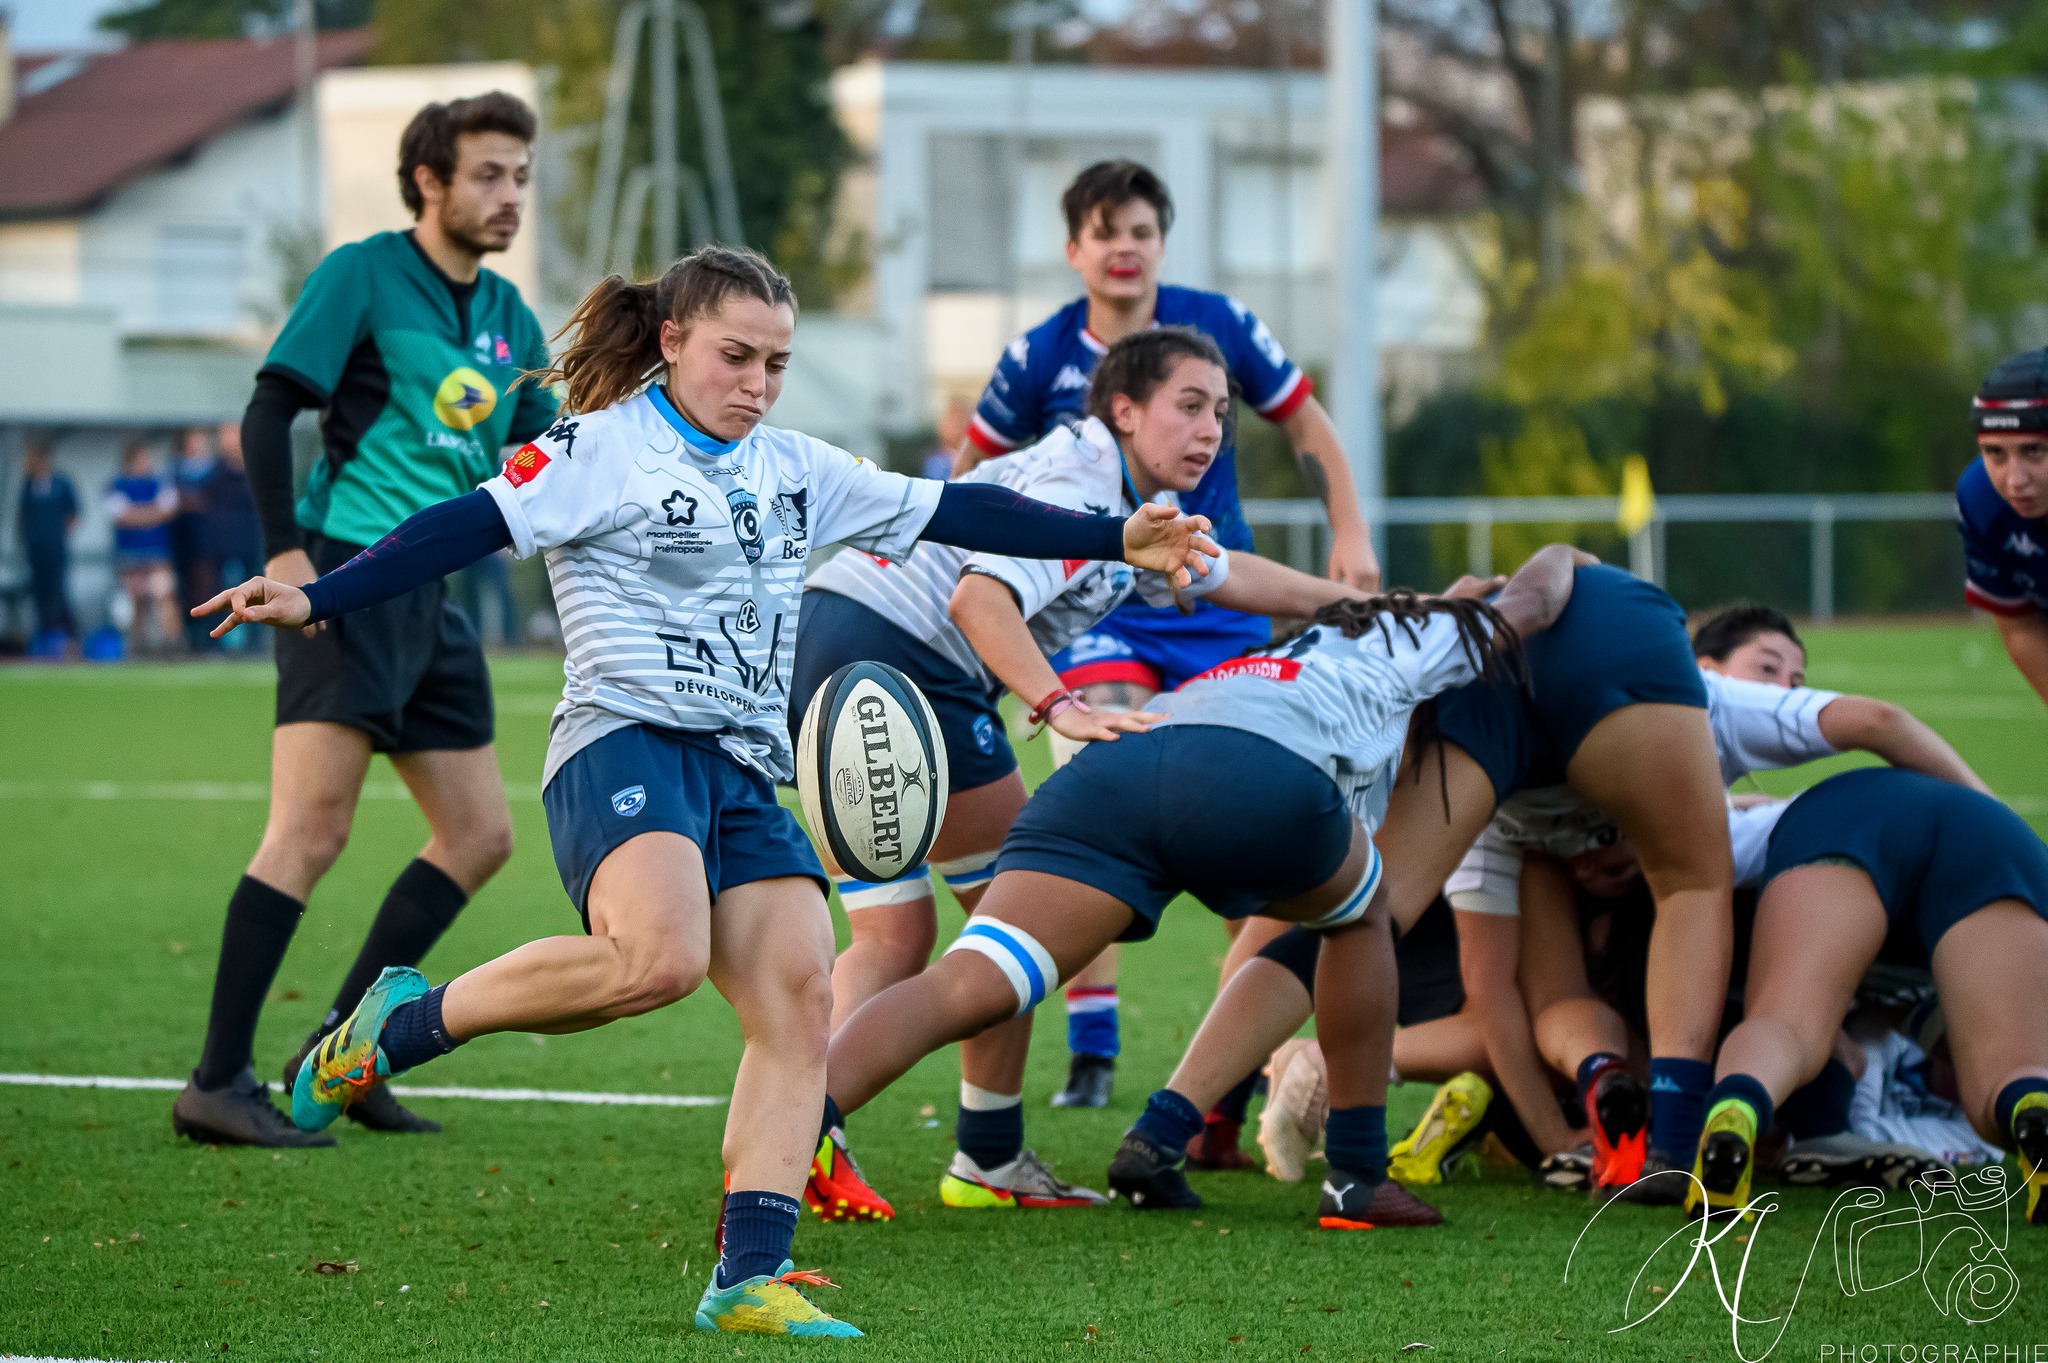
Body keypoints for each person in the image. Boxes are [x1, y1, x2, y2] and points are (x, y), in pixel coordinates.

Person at [197, 245, 1215, 1337]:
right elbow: (464, 525)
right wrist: (320, 599)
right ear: (672, 341)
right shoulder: (599, 448)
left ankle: (747, 1276)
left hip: (739, 761)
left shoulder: (791, 464)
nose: (757, 384)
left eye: (775, 362)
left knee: (797, 990)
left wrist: (1116, 534)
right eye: (735, 357)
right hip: (621, 740)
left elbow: (951, 510)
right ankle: (401, 1020)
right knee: (660, 961)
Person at [815, 545, 1590, 1235]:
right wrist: (1559, 553)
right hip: (1257, 774)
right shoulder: (1415, 636)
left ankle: (793, 1126)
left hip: (1119, 768)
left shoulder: (1293, 649)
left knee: (967, 981)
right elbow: (1532, 603)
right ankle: (1357, 1174)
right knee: (1360, 919)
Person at [794, 327, 1370, 1219]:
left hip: (837, 640)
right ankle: (865, 1142)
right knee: (1018, 922)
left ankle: (819, 1138)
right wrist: (1060, 705)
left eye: (1221, 411)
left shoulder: (1136, 503)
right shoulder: (1086, 482)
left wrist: (1360, 604)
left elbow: (1236, 578)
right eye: (1188, 406)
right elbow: (976, 600)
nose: (1211, 428)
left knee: (901, 936)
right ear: (1124, 410)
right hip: (900, 659)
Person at [171, 92, 559, 1149]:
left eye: (521, 175)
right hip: (342, 575)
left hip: (432, 597)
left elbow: (549, 450)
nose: (509, 195)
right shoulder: (361, 273)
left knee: (479, 834)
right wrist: (285, 551)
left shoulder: (512, 319)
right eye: (487, 173)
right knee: (310, 831)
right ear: (428, 180)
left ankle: (337, 1053)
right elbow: (270, 407)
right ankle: (215, 1080)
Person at [953, 159, 1382, 1109]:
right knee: (1105, 778)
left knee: (1244, 813)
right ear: (1074, 251)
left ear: (1160, 244)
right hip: (1105, 612)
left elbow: (1306, 423)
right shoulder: (1036, 356)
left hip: (1219, 599)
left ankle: (1222, 1073)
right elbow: (970, 471)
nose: (1123, 248)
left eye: (1140, 230)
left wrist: (1350, 534)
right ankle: (1095, 1043)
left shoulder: (1216, 328)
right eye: (1104, 232)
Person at [1685, 767, 2048, 1224]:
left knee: (1788, 1026)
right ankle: (2031, 1105)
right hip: (1996, 839)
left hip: (1844, 814)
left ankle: (1736, 1107)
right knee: (2009, 1072)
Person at [1959, 345, 2048, 707]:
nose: (2015, 481)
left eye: (2034, 451)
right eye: (1995, 452)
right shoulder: (1981, 496)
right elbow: (2020, 624)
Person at [106, 439, 183, 653]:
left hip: (157, 553)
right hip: (130, 554)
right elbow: (120, 516)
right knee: (135, 602)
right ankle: (137, 646)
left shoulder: (160, 482)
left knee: (163, 595)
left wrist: (135, 513)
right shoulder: (117, 484)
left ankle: (172, 643)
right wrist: (152, 513)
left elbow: (168, 511)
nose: (145, 463)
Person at [17, 437, 79, 655]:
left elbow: (74, 513)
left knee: (59, 592)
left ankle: (70, 640)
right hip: (36, 550)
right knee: (40, 594)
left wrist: (58, 534)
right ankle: (44, 641)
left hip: (56, 549)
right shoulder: (28, 486)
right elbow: (22, 517)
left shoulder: (61, 484)